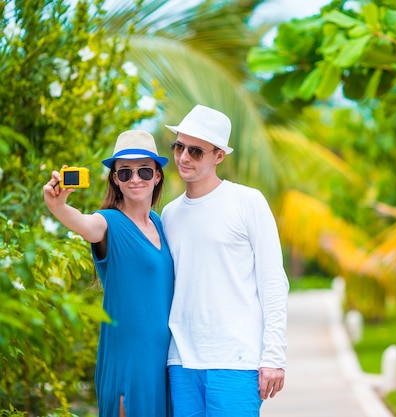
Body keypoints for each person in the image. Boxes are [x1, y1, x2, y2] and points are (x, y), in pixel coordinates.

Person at [162, 104, 289, 417]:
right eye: (179, 146)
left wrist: (274, 357)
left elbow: (273, 282)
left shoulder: (247, 202)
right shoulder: (169, 214)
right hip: (181, 361)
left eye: (196, 151)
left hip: (235, 360)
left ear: (219, 156)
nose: (183, 157)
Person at [43, 130, 174, 417]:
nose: (135, 178)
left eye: (143, 171)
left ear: (157, 175)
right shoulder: (107, 222)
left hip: (164, 360)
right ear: (115, 178)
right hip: (128, 359)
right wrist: (58, 206)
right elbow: (84, 223)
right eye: (125, 173)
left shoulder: (162, 224)